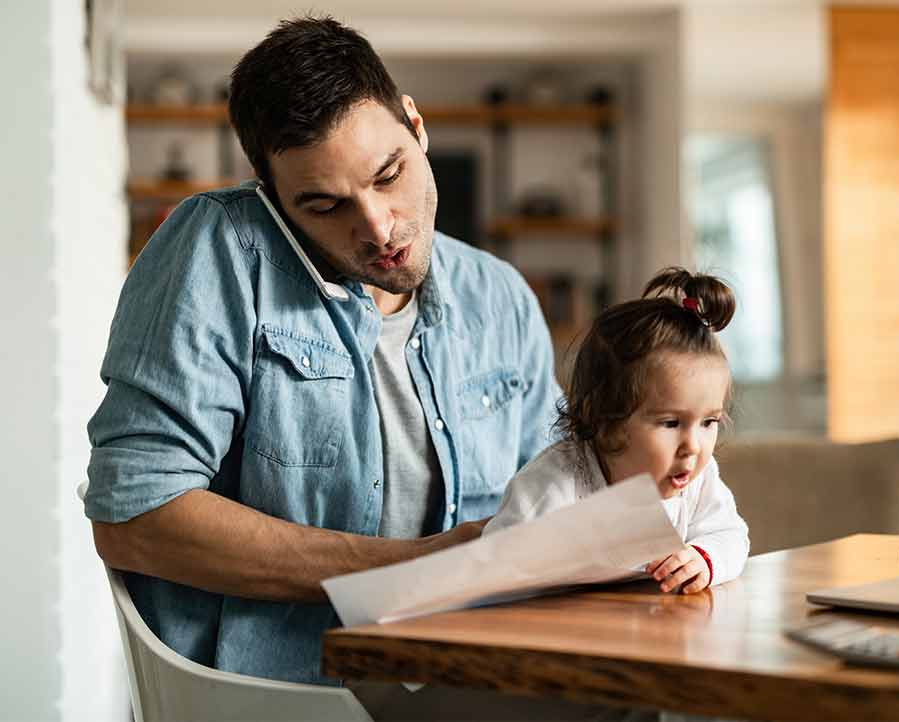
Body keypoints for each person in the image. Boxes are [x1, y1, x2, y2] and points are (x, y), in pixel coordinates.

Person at [83, 16, 562, 687]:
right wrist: (413, 567)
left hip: (466, 675)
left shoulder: (499, 297)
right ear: (272, 197)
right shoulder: (220, 250)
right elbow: (136, 515)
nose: (377, 226)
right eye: (324, 205)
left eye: (389, 174)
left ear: (416, 125)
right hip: (282, 692)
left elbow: (560, 492)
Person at [484, 268, 750, 594]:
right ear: (604, 421)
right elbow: (492, 568)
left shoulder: (698, 480)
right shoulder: (554, 485)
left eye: (709, 422)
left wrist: (703, 559)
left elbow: (732, 535)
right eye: (670, 423)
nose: (693, 446)